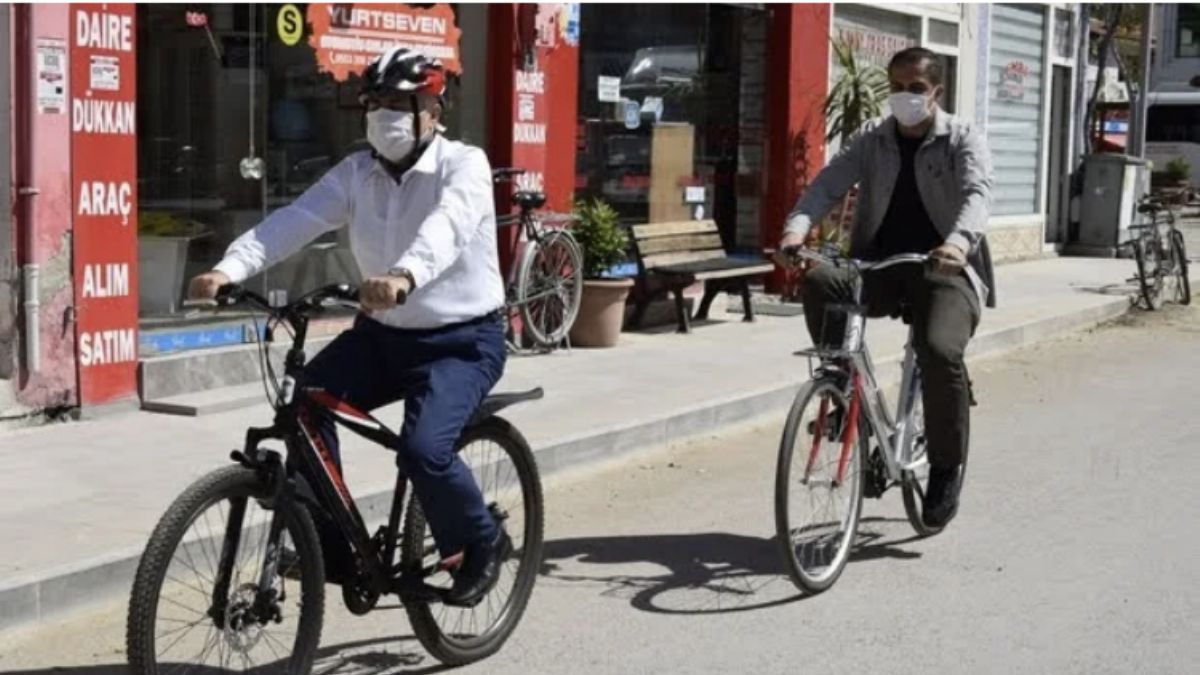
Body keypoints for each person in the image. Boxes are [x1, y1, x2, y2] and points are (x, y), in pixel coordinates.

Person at [188, 48, 509, 607]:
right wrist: (227, 268)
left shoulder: (465, 165)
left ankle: (483, 543)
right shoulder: (357, 173)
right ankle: (334, 548)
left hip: (461, 342)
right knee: (306, 403)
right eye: (376, 102)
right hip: (383, 337)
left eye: (399, 102)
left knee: (424, 450)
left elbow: (448, 226)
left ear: (434, 106)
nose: (385, 113)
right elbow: (293, 221)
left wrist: (404, 274)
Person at [779, 47, 994, 529]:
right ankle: (841, 393)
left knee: (938, 350)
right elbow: (827, 184)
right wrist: (796, 228)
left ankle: (943, 469)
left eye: (915, 88)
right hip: (879, 265)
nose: (904, 97)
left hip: (944, 269)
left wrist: (958, 245)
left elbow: (978, 195)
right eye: (895, 87)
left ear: (937, 91)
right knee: (821, 278)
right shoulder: (871, 140)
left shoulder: (963, 138)